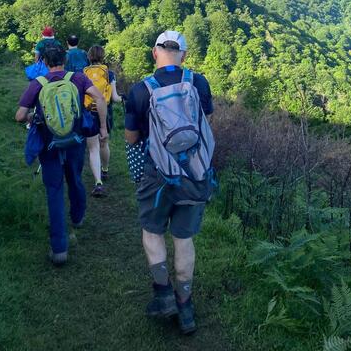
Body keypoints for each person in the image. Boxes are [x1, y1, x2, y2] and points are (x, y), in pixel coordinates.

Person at [125, 30, 214, 335]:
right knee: (184, 240)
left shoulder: (141, 90)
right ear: (184, 56)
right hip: (195, 175)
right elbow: (204, 124)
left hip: (157, 177)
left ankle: (163, 295)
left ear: (155, 53)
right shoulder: (199, 83)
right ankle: (185, 307)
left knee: (152, 231)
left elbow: (131, 138)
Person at [16, 44, 108, 265]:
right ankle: (77, 216)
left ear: (45, 63)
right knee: (75, 178)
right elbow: (99, 98)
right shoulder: (78, 78)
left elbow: (19, 116)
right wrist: (103, 127)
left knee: (54, 190)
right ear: (64, 61)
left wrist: (32, 117)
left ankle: (59, 250)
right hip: (75, 141)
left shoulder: (38, 83)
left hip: (48, 144)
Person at [83, 45, 121, 195]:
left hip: (89, 112)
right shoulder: (109, 73)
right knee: (104, 142)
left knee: (93, 148)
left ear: (89, 56)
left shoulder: (84, 73)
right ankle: (105, 170)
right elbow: (115, 98)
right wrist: (125, 99)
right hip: (106, 112)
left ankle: (98, 181)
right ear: (102, 56)